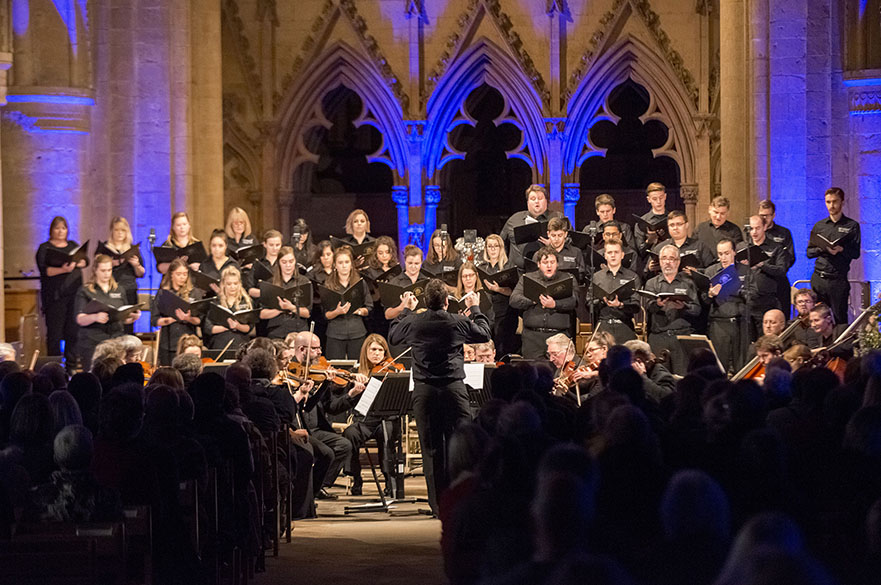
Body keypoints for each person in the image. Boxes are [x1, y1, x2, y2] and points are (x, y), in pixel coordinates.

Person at [388, 279, 492, 515]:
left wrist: (406, 309)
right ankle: (462, 499)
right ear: (447, 301)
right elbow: (484, 334)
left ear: (425, 301)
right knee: (460, 444)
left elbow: (393, 336)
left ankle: (438, 506)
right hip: (453, 389)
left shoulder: (414, 320)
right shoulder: (457, 321)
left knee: (431, 448)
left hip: (424, 390)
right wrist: (475, 308)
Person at [290, 331, 362, 499]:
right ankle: (307, 491)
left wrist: (350, 395)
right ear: (302, 349)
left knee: (344, 445)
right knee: (324, 452)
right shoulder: (291, 372)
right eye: (315, 349)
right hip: (298, 429)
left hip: (316, 429)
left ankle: (318, 486)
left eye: (320, 348)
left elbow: (332, 407)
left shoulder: (320, 373)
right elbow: (301, 407)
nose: (320, 352)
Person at [343, 334, 401, 496]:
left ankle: (389, 479)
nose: (377, 353)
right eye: (373, 349)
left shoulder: (391, 370)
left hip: (387, 418)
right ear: (365, 351)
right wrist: (353, 387)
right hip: (365, 421)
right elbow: (341, 398)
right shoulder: (356, 373)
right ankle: (356, 478)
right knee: (350, 433)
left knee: (387, 433)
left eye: (380, 350)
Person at [36, 216, 87, 369]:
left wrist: (77, 262)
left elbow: (85, 261)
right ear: (51, 230)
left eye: (63, 228)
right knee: (55, 334)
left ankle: (71, 366)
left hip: (74, 295)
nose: (60, 231)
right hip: (55, 297)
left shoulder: (72, 245)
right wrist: (63, 269)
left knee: (73, 331)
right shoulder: (45, 248)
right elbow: (45, 271)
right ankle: (54, 366)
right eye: (57, 228)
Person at [75, 255, 142, 371]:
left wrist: (131, 317)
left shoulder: (119, 289)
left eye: (109, 270)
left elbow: (122, 315)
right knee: (94, 376)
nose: (106, 274)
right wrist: (95, 317)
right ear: (95, 270)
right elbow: (79, 319)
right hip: (93, 341)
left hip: (115, 341)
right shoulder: (85, 290)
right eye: (103, 270)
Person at [510, 245, 578, 359]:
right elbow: (514, 300)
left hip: (559, 336)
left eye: (552, 262)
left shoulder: (568, 278)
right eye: (545, 262)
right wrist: (533, 299)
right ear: (538, 264)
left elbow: (574, 301)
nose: (549, 265)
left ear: (557, 263)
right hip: (532, 339)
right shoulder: (527, 278)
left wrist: (554, 304)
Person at [643, 244, 701, 374]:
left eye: (671, 259)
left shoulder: (688, 282)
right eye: (664, 258)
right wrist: (658, 305)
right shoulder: (652, 283)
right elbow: (647, 306)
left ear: (678, 262)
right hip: (659, 338)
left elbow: (697, 310)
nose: (667, 262)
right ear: (660, 261)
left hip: (681, 337)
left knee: (682, 378)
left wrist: (684, 307)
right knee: (658, 377)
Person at [807, 187, 861, 325]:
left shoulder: (852, 226)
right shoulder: (819, 226)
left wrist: (841, 249)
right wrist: (823, 249)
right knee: (817, 319)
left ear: (842, 202)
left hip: (838, 279)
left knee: (839, 319)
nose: (831, 205)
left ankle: (839, 346)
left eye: (835, 202)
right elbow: (809, 252)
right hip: (819, 278)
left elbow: (855, 253)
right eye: (828, 202)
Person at [704, 239, 750, 374]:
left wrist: (734, 290)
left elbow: (752, 294)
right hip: (719, 323)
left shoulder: (745, 270)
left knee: (741, 366)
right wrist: (710, 295)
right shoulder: (711, 271)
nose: (723, 258)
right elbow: (704, 300)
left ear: (734, 253)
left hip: (740, 323)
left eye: (726, 253)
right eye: (720, 254)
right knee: (719, 367)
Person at [739, 215, 789, 338]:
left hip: (766, 302)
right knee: (747, 341)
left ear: (765, 227)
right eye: (751, 228)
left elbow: (782, 270)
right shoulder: (742, 247)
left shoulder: (776, 247)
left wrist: (762, 265)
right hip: (746, 301)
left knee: (765, 340)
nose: (754, 232)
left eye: (758, 228)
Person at [323, 246, 373, 359]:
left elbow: (369, 308)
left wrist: (358, 311)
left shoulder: (360, 283)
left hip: (357, 331)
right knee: (335, 368)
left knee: (357, 367)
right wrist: (337, 311)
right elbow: (326, 314)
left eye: (347, 262)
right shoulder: (328, 285)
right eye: (340, 262)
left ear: (351, 264)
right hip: (335, 333)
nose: (344, 265)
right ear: (335, 265)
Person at [152, 258, 202, 366]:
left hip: (188, 344)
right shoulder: (163, 293)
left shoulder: (194, 293)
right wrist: (174, 318)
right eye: (179, 274)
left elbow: (199, 321)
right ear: (171, 274)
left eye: (185, 274)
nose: (182, 277)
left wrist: (187, 318)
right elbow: (155, 321)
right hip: (168, 344)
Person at [590, 238, 641, 343]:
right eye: (610, 252)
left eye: (616, 252)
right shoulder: (596, 277)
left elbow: (636, 306)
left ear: (622, 255)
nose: (613, 255)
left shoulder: (632, 277)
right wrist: (601, 301)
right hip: (603, 326)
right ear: (605, 255)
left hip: (625, 326)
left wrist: (620, 305)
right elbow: (588, 303)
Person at [500, 184, 562, 269]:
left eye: (540, 198)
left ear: (546, 201)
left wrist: (555, 244)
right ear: (527, 202)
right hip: (517, 273)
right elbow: (500, 243)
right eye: (533, 199)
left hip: (547, 274)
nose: (537, 201)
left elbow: (571, 244)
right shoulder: (514, 219)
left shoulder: (558, 218)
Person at [258, 245, 311, 339]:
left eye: (291, 261)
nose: (288, 265)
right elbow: (262, 314)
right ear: (278, 263)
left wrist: (291, 307)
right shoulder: (270, 283)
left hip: (298, 331)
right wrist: (280, 309)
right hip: (276, 332)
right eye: (284, 262)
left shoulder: (304, 281)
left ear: (295, 262)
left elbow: (307, 313)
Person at [479, 234, 518, 358]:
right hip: (488, 313)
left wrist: (498, 289)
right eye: (490, 246)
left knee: (503, 349)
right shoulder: (482, 268)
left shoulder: (509, 266)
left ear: (501, 248)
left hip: (506, 314)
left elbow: (515, 292)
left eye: (496, 246)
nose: (493, 249)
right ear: (486, 249)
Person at [103, 217, 145, 330]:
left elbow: (141, 273)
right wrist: (110, 263)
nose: (120, 233)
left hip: (129, 289)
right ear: (112, 231)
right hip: (111, 289)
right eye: (117, 230)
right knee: (112, 324)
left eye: (123, 230)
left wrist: (136, 264)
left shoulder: (132, 248)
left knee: (129, 324)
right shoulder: (105, 247)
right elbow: (97, 266)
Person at [758, 199, 796, 317]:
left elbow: (790, 257)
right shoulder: (754, 233)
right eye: (761, 215)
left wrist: (774, 266)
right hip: (761, 283)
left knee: (782, 318)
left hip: (779, 281)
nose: (764, 219)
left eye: (767, 215)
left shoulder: (783, 232)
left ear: (773, 215)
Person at [203, 265, 254, 350]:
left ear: (239, 284)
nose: (232, 287)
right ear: (223, 284)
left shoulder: (246, 301)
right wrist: (228, 326)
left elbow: (249, 328)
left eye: (235, 283)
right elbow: (209, 328)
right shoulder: (215, 302)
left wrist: (237, 326)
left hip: (240, 344)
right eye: (229, 284)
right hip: (220, 344)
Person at [651, 210, 715, 275]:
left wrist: (697, 271)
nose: (675, 228)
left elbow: (711, 270)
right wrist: (650, 269)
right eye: (672, 225)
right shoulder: (660, 248)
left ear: (686, 225)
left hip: (692, 283)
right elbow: (647, 275)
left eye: (679, 224)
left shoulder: (700, 246)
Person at [539, 217, 585, 282]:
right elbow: (535, 276)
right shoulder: (540, 254)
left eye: (560, 235)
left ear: (565, 234)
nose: (556, 239)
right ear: (548, 234)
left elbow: (581, 276)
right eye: (553, 235)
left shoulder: (576, 252)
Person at [634, 182, 670, 258]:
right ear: (649, 199)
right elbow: (639, 253)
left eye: (661, 198)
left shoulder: (672, 219)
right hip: (650, 264)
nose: (658, 202)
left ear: (665, 196)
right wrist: (649, 241)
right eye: (654, 199)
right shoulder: (642, 222)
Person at [198, 229, 239, 295]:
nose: (217, 249)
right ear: (210, 246)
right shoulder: (204, 265)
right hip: (207, 301)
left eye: (220, 246)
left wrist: (221, 292)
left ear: (226, 246)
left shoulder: (233, 265)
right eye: (214, 246)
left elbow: (239, 291)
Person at [454, 262, 493, 327]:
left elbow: (491, 321)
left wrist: (476, 323)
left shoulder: (485, 295)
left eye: (471, 275)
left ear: (476, 275)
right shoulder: (455, 298)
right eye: (465, 276)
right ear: (461, 278)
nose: (468, 279)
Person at [247, 229, 284, 298]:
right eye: (271, 245)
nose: (274, 248)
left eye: (277, 245)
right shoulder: (257, 264)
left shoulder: (286, 263)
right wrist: (267, 293)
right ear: (264, 244)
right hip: (261, 304)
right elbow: (250, 290)